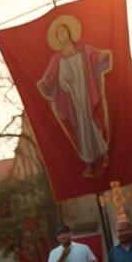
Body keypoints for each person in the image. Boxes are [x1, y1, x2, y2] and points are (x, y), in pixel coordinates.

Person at [36, 14, 113, 177]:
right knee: (81, 129)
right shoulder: (57, 58)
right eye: (59, 34)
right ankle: (89, 162)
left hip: (86, 93)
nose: (62, 35)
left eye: (64, 31)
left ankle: (105, 153)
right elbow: (51, 77)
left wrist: (102, 57)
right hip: (72, 98)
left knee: (93, 122)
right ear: (57, 39)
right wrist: (45, 84)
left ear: (70, 32)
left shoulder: (83, 49)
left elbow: (95, 57)